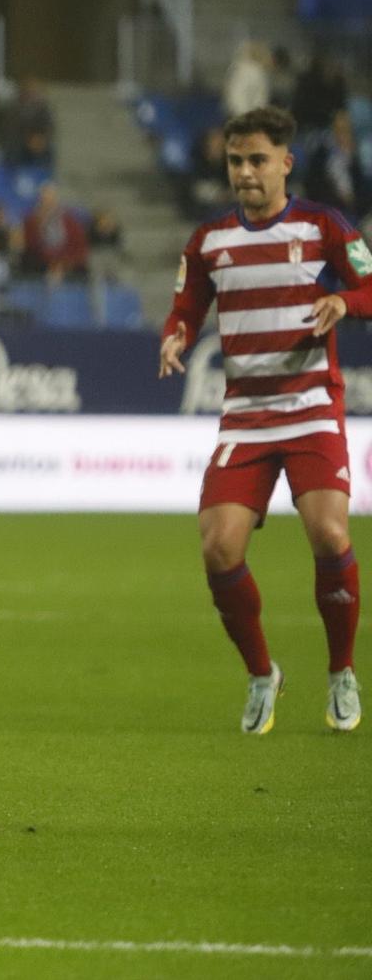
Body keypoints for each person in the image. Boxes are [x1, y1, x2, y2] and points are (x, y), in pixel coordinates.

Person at [159, 105, 362, 735]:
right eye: (234, 161)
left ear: (285, 163)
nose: (245, 172)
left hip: (310, 408)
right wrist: (176, 336)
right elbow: (187, 306)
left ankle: (340, 672)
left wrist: (344, 299)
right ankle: (260, 673)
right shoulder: (210, 240)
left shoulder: (325, 225)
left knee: (329, 534)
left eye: (257, 161)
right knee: (219, 548)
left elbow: (370, 285)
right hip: (245, 418)